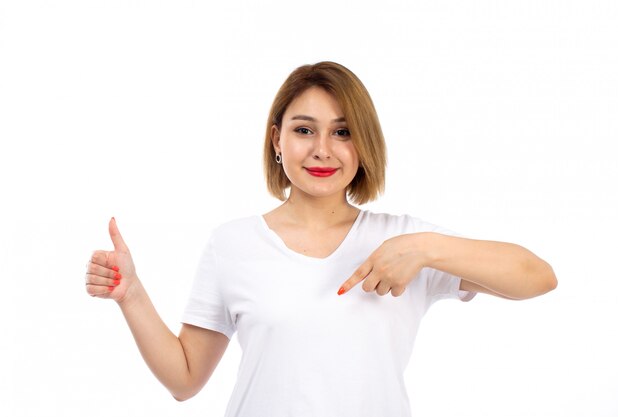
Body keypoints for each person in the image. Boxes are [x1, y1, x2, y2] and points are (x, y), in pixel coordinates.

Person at [85, 61, 557, 417]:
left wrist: (426, 248)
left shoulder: (401, 239)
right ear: (276, 139)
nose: (322, 150)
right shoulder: (232, 243)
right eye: (304, 130)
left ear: (364, 143)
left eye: (343, 132)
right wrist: (132, 295)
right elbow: (185, 380)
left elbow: (538, 276)